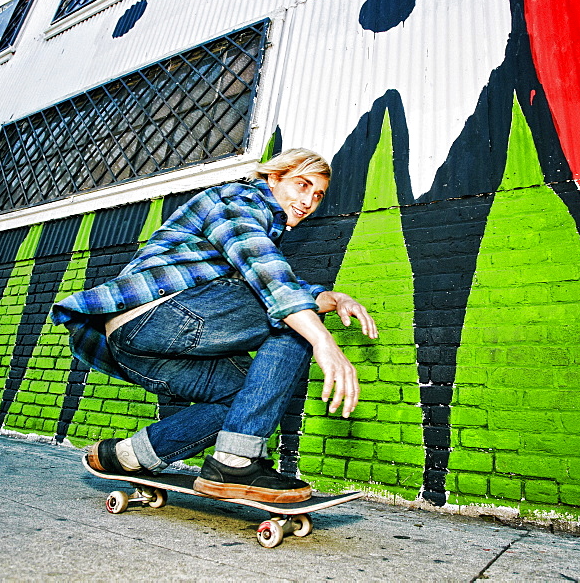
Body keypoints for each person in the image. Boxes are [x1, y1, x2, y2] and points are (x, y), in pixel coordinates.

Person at [50, 148, 378, 503]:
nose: (308, 201)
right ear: (274, 177)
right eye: (301, 185)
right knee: (295, 321)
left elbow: (267, 281)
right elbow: (270, 278)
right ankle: (236, 464)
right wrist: (322, 341)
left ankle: (128, 455)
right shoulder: (237, 199)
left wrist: (334, 297)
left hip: (135, 344)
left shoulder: (258, 223)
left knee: (243, 397)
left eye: (317, 195)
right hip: (158, 316)